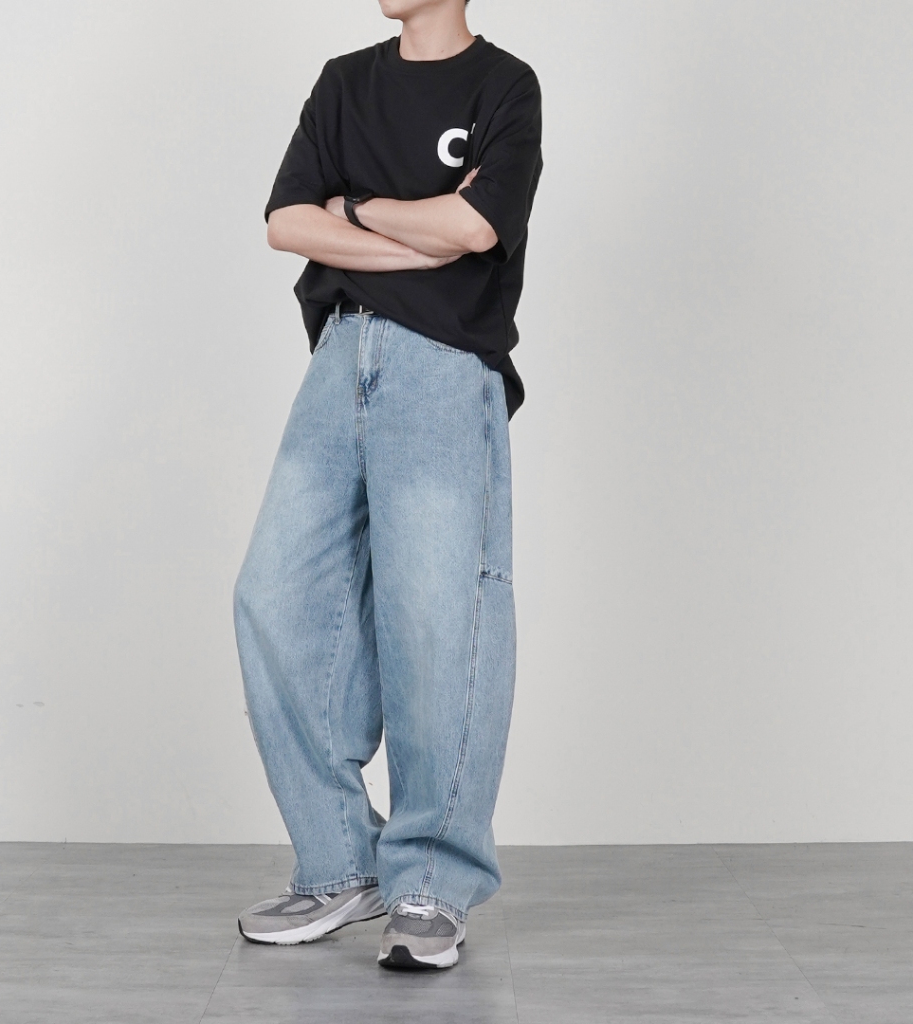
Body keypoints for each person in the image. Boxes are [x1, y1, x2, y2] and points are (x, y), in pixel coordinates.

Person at [233, 0, 542, 970]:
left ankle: (431, 884)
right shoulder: (346, 82)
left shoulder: (504, 87)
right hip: (341, 358)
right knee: (274, 596)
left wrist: (355, 212)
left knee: (438, 616)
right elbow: (287, 223)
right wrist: (418, 234)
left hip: (446, 368)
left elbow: (478, 226)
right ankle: (340, 861)